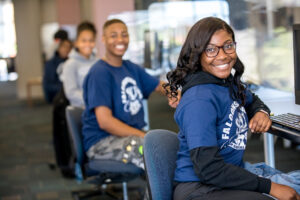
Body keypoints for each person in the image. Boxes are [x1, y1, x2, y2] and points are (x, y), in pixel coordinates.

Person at [164, 17, 300, 200]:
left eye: (228, 46)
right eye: (211, 49)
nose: (223, 55)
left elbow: (253, 100)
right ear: (198, 54)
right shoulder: (199, 100)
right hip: (200, 189)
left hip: (227, 176)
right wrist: (269, 187)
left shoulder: (226, 84)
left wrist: (261, 112)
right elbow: (208, 169)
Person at [82, 19, 176, 169]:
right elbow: (105, 121)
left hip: (131, 136)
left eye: (124, 35)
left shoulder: (130, 67)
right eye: (113, 35)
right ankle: (157, 193)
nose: (120, 39)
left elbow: (159, 85)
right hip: (102, 142)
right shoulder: (99, 72)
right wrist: (142, 135)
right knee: (154, 154)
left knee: (170, 143)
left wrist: (177, 94)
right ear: (103, 39)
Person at [61, 21, 98, 107]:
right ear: (76, 43)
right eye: (84, 41)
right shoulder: (70, 64)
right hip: (81, 110)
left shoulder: (98, 62)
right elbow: (71, 93)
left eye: (91, 40)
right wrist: (95, 100)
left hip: (99, 107)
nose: (88, 44)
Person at [42, 39, 72, 103]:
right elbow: (48, 85)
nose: (67, 49)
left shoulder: (74, 62)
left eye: (69, 47)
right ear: (58, 48)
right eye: (64, 47)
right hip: (59, 96)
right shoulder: (50, 64)